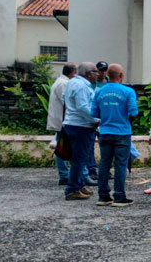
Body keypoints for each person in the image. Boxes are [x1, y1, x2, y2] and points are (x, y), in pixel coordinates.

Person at [91, 64, 138, 207]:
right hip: (122, 132)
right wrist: (127, 122)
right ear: (121, 76)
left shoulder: (99, 92)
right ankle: (119, 196)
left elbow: (94, 114)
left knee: (104, 163)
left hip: (105, 131)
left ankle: (103, 196)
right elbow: (133, 113)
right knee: (120, 164)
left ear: (107, 75)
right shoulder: (128, 91)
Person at [62, 62, 100, 200]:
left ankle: (78, 184)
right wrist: (96, 120)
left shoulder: (73, 83)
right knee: (79, 159)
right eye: (95, 71)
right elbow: (83, 107)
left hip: (74, 124)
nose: (98, 74)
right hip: (81, 126)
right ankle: (72, 189)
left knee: (79, 158)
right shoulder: (81, 85)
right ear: (89, 73)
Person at [47, 63, 77, 185]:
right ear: (72, 73)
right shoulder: (64, 84)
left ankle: (64, 174)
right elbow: (67, 101)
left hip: (61, 119)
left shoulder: (60, 82)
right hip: (62, 120)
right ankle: (64, 174)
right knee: (61, 148)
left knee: (61, 146)